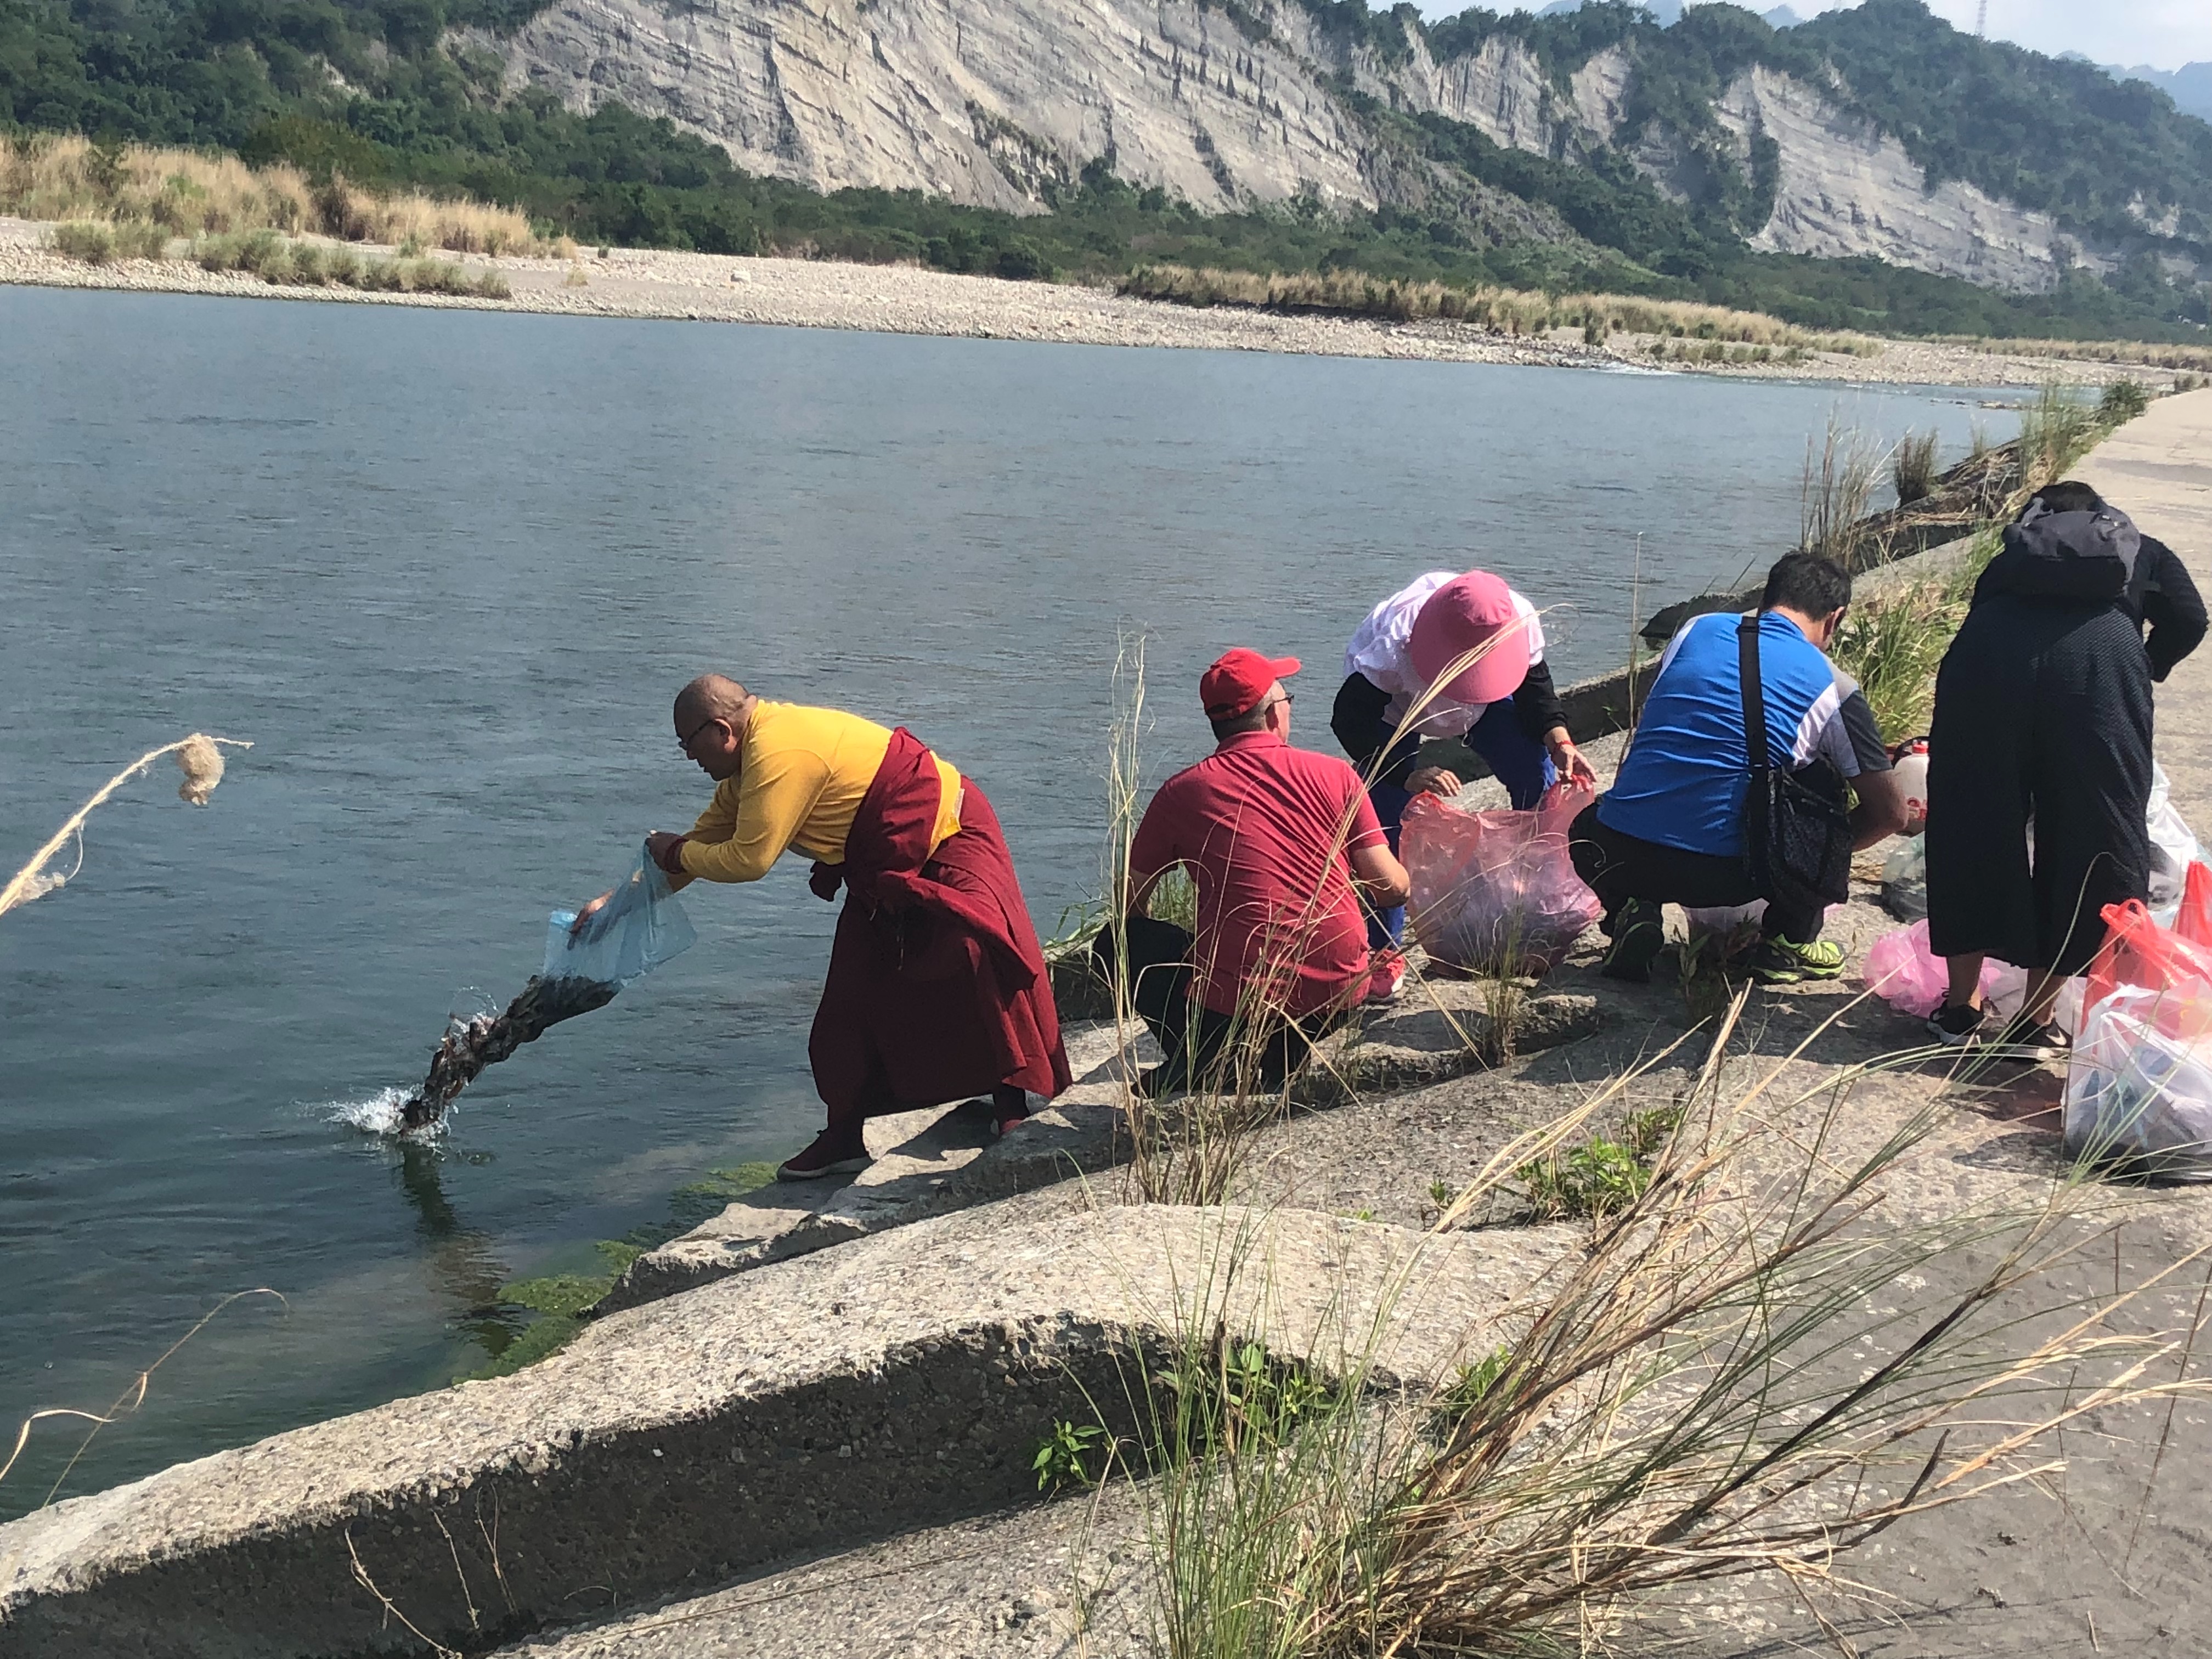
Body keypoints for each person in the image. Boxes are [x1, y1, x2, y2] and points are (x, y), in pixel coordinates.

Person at [576, 675, 1072, 1180]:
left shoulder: (779, 754)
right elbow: (700, 847)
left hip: (949, 830)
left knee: (978, 951)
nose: (687, 756)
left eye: (688, 743)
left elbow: (748, 860)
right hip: (884, 858)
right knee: (851, 998)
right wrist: (615, 906)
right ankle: (844, 1137)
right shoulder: (744, 773)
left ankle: (1012, 1100)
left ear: (722, 730)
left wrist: (678, 852)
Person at [1925, 481, 2205, 1055]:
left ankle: (1960, 1011)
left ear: (2038, 518)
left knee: (1972, 823)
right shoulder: (2144, 551)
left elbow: (1982, 614)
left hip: (1993, 659)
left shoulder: (2014, 556)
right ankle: (2035, 1021)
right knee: (2091, 835)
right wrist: (2146, 666)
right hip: (2103, 661)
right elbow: (2191, 618)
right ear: (2103, 518)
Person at [1569, 553, 1908, 985]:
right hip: (1733, 876)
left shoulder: (1694, 630)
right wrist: (1812, 871)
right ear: (1834, 619)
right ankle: (1788, 941)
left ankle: (1632, 910)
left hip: (1619, 854)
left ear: (1767, 598)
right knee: (1821, 778)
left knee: (1588, 826)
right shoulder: (1834, 684)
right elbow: (1892, 813)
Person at [1097, 648, 1411, 1096]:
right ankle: (1275, 1055)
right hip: (1336, 998)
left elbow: (1130, 900)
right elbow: (1391, 889)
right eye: (1288, 701)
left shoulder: (1181, 793)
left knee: (1118, 944)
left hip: (1238, 1006)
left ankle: (1205, 1057)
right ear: (1271, 716)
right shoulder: (1337, 775)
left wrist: (1201, 946)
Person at [1331, 569, 1597, 1000]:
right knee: (1386, 823)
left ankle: (1530, 904)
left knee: (1536, 777)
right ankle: (1383, 949)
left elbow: (1536, 693)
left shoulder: (1519, 620)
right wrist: (1406, 775)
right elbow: (1349, 721)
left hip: (1488, 702)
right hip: (1398, 711)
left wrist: (1561, 741)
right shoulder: (1392, 644)